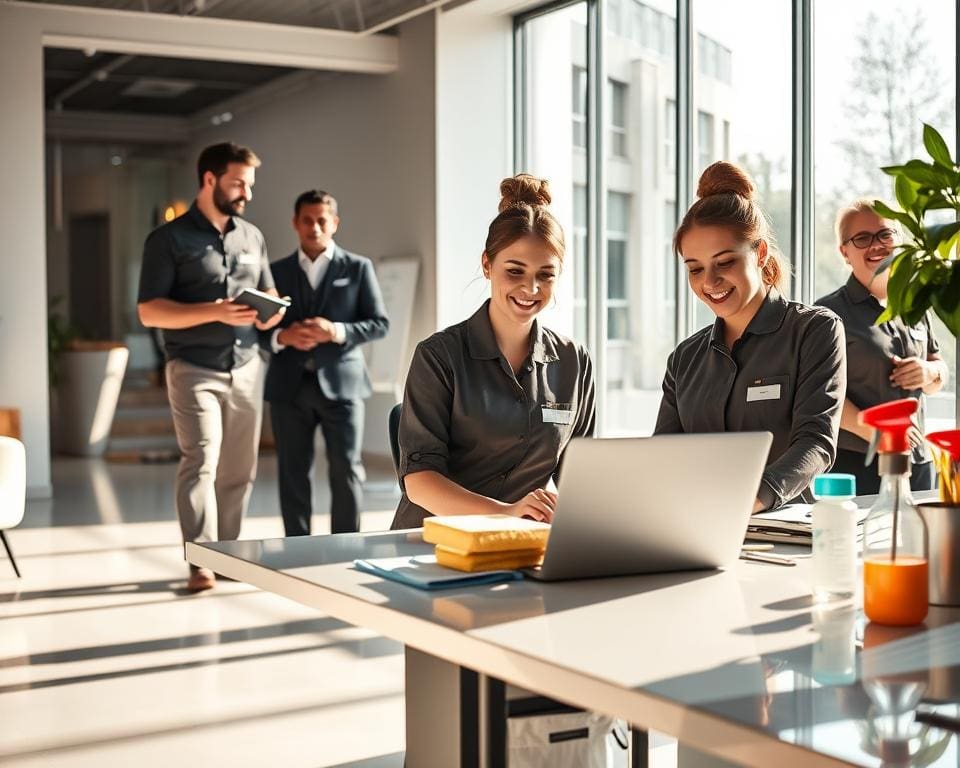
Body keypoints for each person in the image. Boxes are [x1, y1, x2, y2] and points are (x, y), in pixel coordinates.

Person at [390, 174, 596, 530]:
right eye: (515, 271)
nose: (531, 288)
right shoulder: (438, 356)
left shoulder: (574, 362)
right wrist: (506, 513)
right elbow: (420, 482)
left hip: (519, 542)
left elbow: (581, 480)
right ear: (487, 265)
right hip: (432, 541)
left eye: (546, 275)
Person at [655, 161, 846, 511]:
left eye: (725, 262)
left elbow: (816, 443)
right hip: (695, 523)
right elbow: (663, 457)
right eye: (695, 269)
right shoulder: (685, 358)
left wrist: (749, 500)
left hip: (781, 528)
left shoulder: (815, 330)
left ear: (759, 253)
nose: (709, 282)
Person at [137, 142, 284, 592]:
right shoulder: (168, 240)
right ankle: (200, 560)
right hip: (193, 367)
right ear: (209, 179)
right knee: (200, 460)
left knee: (239, 469)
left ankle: (227, 555)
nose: (247, 193)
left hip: (246, 366)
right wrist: (215, 311)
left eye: (249, 185)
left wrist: (272, 311)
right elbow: (149, 312)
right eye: (238, 183)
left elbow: (268, 293)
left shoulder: (252, 236)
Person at [265, 190, 389, 536]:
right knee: (292, 472)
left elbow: (380, 324)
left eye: (322, 220)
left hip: (343, 387)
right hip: (289, 388)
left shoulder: (358, 268)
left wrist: (336, 331)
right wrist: (282, 337)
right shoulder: (274, 272)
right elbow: (256, 329)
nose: (315, 227)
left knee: (346, 469)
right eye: (307, 220)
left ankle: (345, 548)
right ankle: (296, 548)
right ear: (295, 223)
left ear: (334, 223)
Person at [816, 199, 948, 494]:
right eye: (862, 238)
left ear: (899, 240)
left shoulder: (915, 305)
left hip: (918, 460)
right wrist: (878, 432)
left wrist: (928, 372)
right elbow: (821, 395)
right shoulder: (826, 314)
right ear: (844, 252)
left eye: (885, 234)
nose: (876, 245)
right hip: (857, 463)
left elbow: (939, 373)